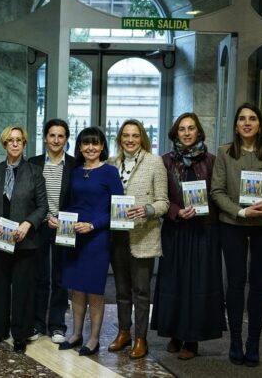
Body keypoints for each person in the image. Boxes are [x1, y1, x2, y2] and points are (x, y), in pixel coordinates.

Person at [210, 103, 262, 367]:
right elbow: (217, 191)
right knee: (234, 283)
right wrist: (241, 213)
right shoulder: (224, 153)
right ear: (236, 125)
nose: (247, 123)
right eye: (242, 119)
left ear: (259, 124)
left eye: (252, 118)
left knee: (258, 286)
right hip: (233, 224)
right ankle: (235, 342)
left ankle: (253, 343)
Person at [149, 113, 225, 360]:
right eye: (182, 129)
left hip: (204, 231)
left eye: (191, 128)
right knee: (174, 282)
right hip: (176, 229)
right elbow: (158, 195)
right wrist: (176, 211)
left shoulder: (212, 161)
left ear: (199, 132)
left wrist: (206, 210)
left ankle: (192, 340)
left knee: (199, 284)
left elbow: (218, 195)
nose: (187, 133)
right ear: (175, 133)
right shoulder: (165, 162)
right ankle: (174, 332)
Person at [57, 127, 123, 356]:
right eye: (86, 144)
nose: (90, 148)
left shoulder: (110, 172)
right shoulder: (75, 171)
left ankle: (93, 339)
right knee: (75, 289)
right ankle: (76, 334)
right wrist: (59, 220)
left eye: (95, 143)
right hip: (73, 236)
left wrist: (93, 225)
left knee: (94, 291)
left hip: (97, 238)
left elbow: (118, 210)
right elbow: (69, 204)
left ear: (103, 146)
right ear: (80, 147)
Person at [108, 119, 169, 359]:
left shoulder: (155, 163)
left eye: (134, 135)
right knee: (121, 290)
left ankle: (141, 338)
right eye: (125, 135)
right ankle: (124, 332)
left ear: (142, 138)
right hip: (117, 235)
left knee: (141, 290)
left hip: (143, 235)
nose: (130, 140)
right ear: (120, 138)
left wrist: (147, 209)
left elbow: (164, 201)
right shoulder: (112, 164)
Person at [0, 125, 47, 354]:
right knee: (0, 287)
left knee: (23, 289)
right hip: (0, 237)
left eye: (19, 140)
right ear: (4, 144)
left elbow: (43, 207)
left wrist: (28, 223)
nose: (15, 144)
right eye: (10, 140)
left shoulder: (34, 172)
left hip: (25, 240)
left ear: (24, 143)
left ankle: (20, 334)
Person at [28, 119, 75, 344]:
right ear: (45, 138)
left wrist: (62, 219)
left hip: (64, 226)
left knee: (60, 277)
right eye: (52, 135)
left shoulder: (75, 165)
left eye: (61, 136)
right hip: (39, 226)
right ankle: (37, 322)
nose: (56, 140)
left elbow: (77, 199)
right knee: (38, 276)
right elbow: (28, 198)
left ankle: (57, 325)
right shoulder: (33, 163)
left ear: (66, 139)